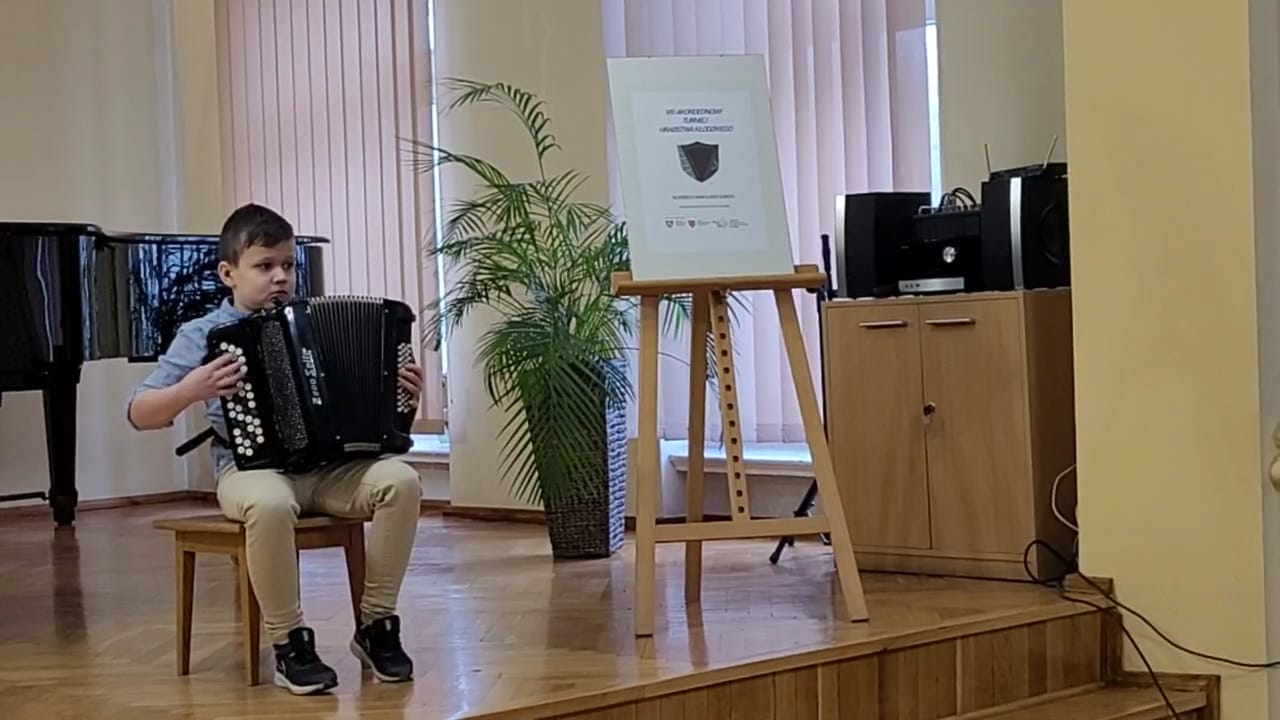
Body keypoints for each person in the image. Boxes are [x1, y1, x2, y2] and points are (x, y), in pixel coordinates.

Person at [125, 203, 423, 695]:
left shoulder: (311, 323)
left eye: (287, 264)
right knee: (269, 503)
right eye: (264, 266)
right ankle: (289, 645)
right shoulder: (203, 335)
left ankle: (376, 626)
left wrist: (402, 396)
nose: (280, 276)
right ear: (228, 273)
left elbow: (375, 411)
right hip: (247, 470)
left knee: (401, 481)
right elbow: (139, 412)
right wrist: (191, 389)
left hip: (329, 470)